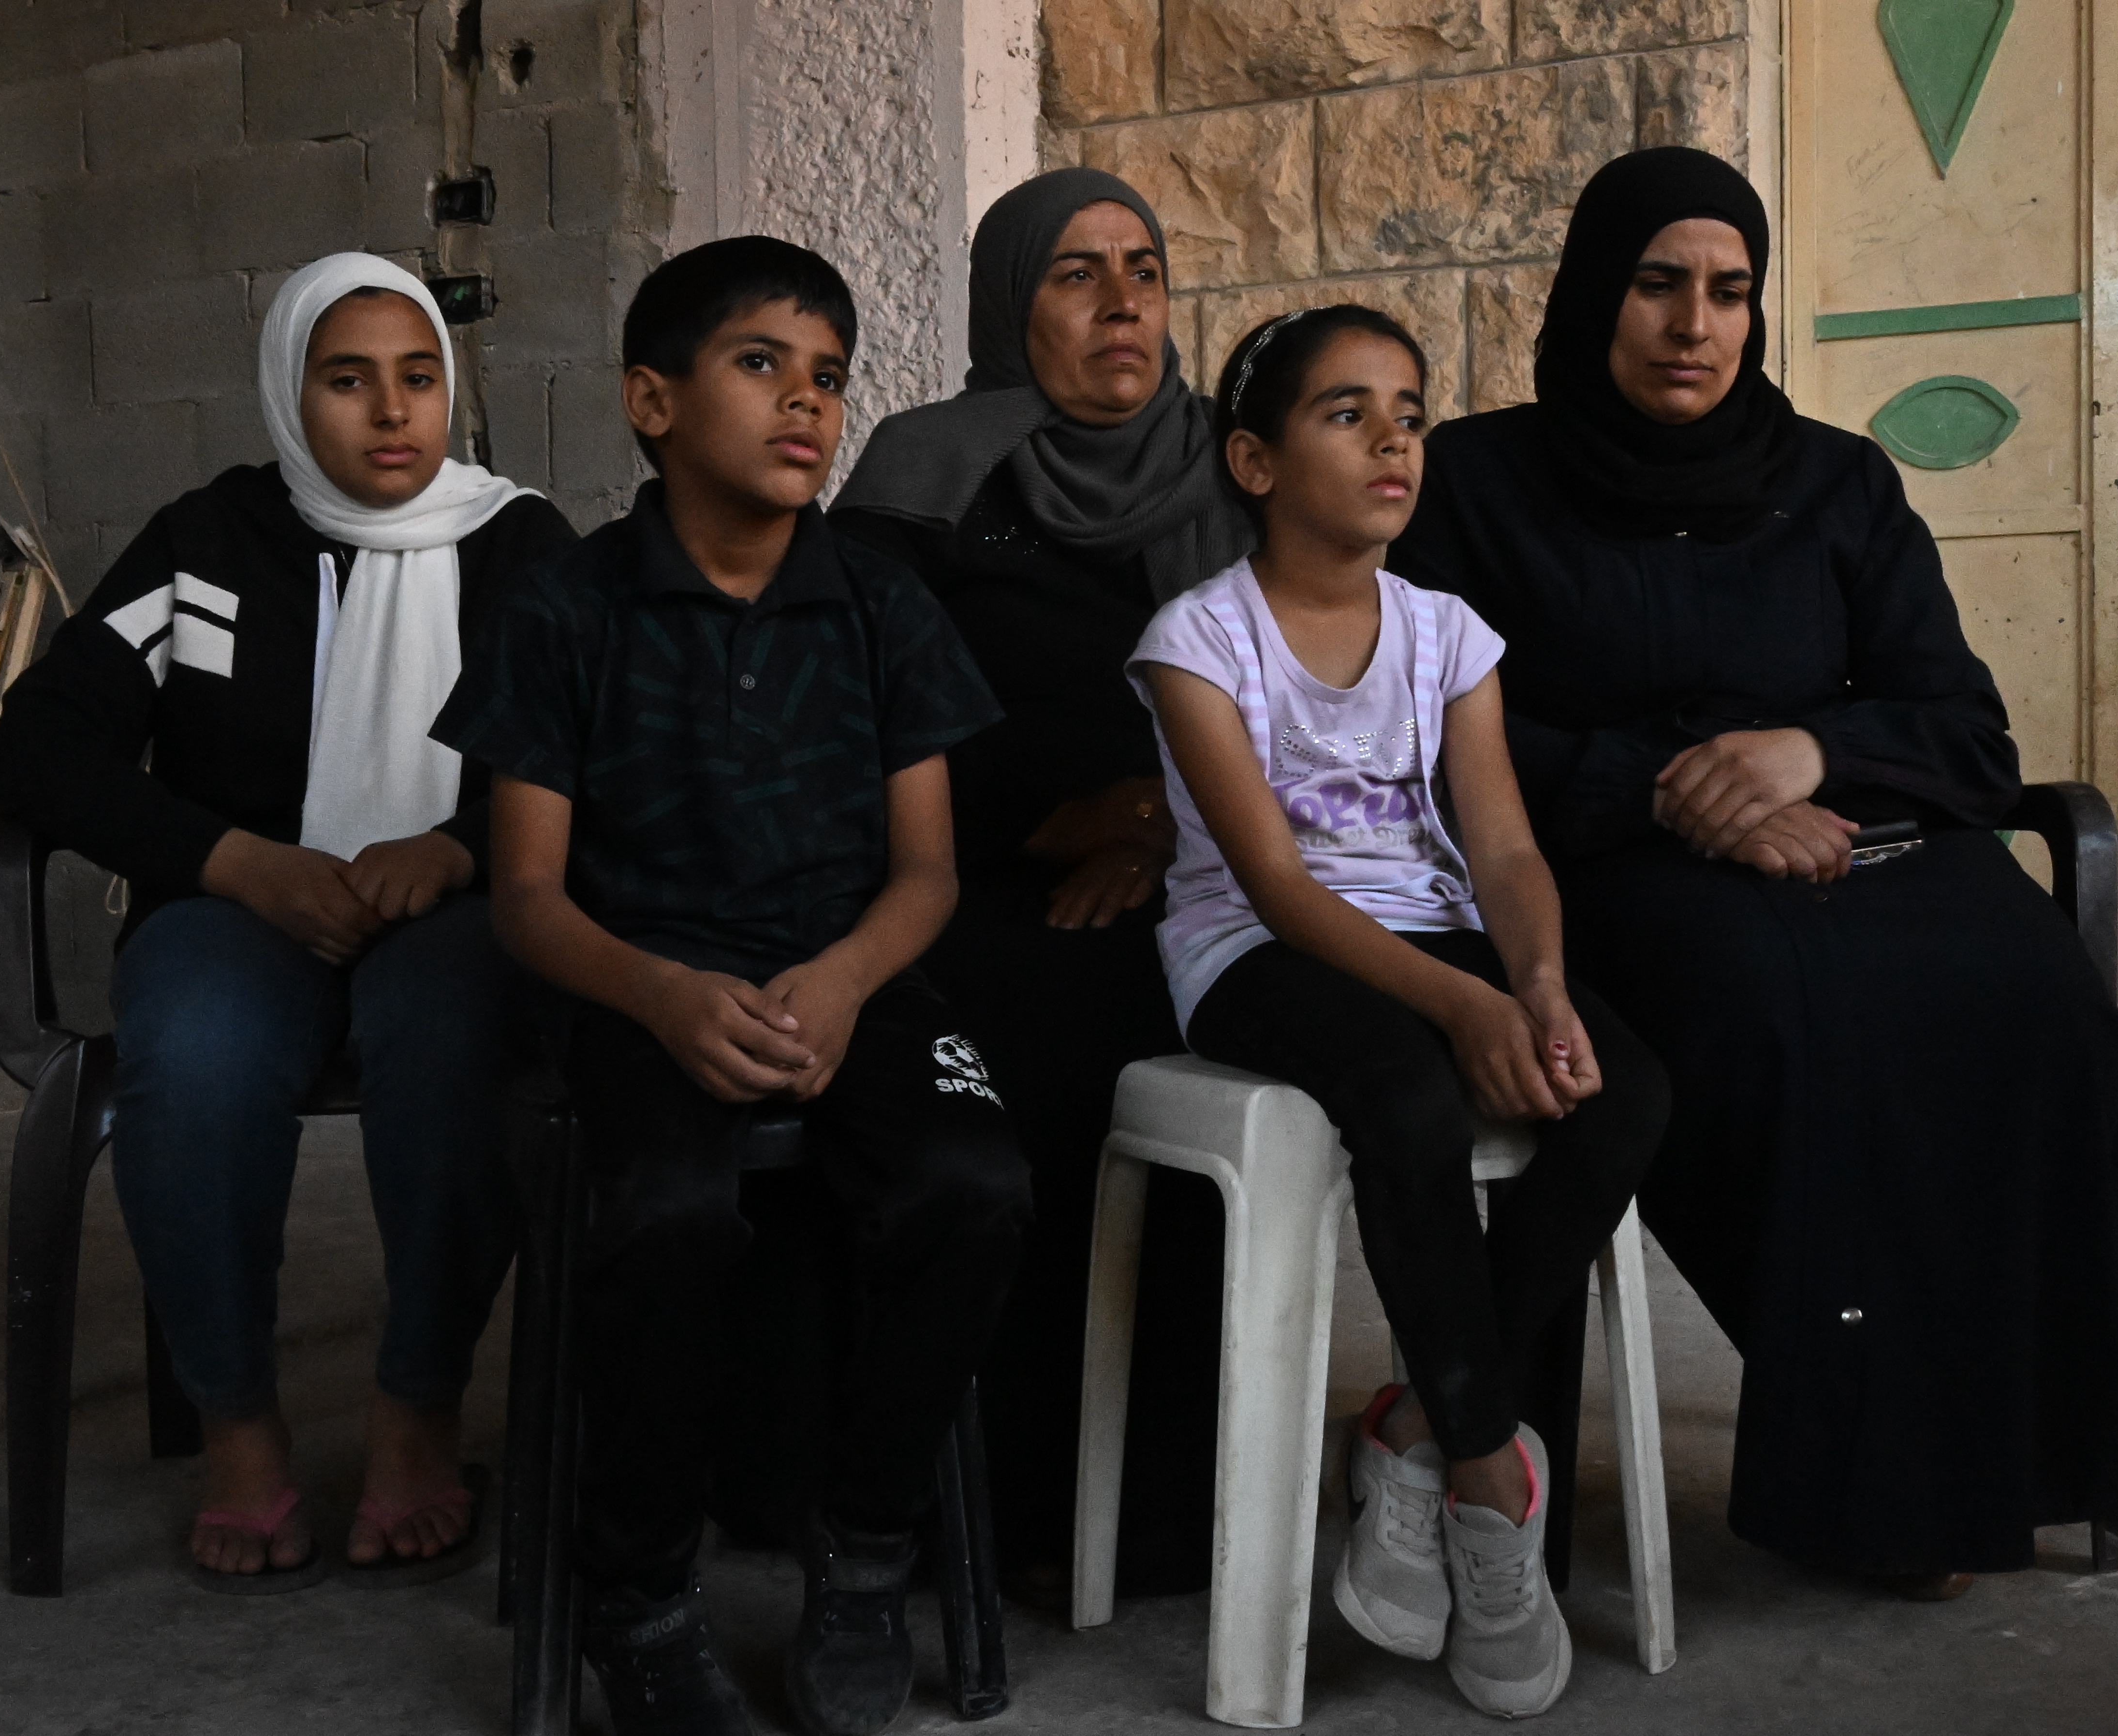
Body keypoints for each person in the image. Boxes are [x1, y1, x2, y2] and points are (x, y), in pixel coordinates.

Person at [1389, 146, 2118, 1596]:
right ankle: (1890, 1475)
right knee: (1781, 1014)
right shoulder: (1478, 488)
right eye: (1658, 285)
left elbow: (1964, 725)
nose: (1694, 325)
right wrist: (1671, 790)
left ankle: (2030, 1447)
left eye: (1729, 291)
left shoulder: (1836, 482)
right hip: (1613, 864)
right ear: (1593, 294)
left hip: (1848, 832)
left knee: (2033, 994)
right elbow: (1430, 735)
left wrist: (1808, 753)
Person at [434, 236, 1031, 1736]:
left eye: (828, 376)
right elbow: (526, 894)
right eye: (761, 365)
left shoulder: (883, 606)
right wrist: (661, 997)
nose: (806, 403)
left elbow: (928, 875)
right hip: (640, 989)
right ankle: (638, 1595)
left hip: (851, 977)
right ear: (651, 400)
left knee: (974, 1184)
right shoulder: (564, 609)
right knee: (665, 1213)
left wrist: (839, 985)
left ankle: (865, 1543)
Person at [0, 252, 578, 1589]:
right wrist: (237, 861)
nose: (392, 413)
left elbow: (603, 747)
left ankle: (417, 1410)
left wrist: (458, 847)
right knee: (193, 1054)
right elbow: (38, 745)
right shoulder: (208, 542)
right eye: (347, 381)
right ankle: (237, 1426)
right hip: (236, 907)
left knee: (457, 1031)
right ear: (287, 395)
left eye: (419, 378)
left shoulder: (523, 547)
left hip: (450, 907)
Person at [1133, 304, 1665, 1721]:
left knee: (1620, 1085)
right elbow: (1274, 881)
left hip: (1434, 930)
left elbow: (1502, 850)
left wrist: (1532, 987)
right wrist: (1459, 1008)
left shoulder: (1446, 634)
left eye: (1411, 415)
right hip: (1256, 951)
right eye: (1346, 412)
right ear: (1254, 460)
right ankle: (1491, 1480)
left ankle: (1417, 1427)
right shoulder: (1199, 639)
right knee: (1410, 1095)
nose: (1392, 441)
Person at [830, 167, 1250, 1593]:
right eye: (1077, 274)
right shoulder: (925, 473)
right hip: (973, 869)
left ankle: (1176, 1511)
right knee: (1028, 1030)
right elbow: (868, 704)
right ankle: (997, 1512)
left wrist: (1160, 827)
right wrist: (1054, 820)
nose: (1121, 302)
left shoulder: (1235, 466)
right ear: (1011, 306)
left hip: (1199, 861)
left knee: (1191, 1014)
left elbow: (1305, 686)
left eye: (1144, 269)